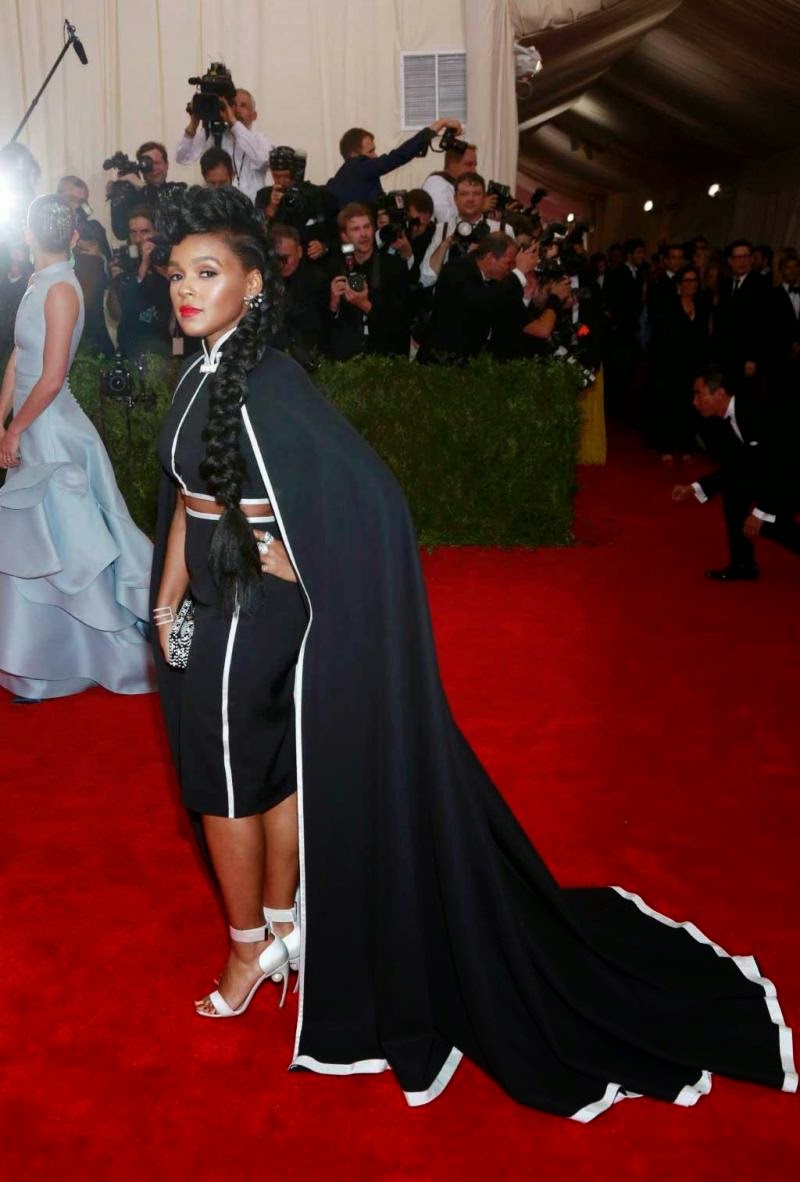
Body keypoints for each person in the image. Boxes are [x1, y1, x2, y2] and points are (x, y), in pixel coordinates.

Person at [151, 185, 795, 1117]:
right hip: (216, 610)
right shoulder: (203, 376)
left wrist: (294, 558)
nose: (184, 288)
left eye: (206, 273)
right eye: (176, 274)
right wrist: (165, 602)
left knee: (222, 786)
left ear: (254, 285)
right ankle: (286, 927)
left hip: (247, 618)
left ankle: (251, 947)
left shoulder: (264, 384)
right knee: (273, 772)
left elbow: (369, 498)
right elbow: (186, 501)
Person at [0, 195, 154, 700]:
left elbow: (51, 378)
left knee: (69, 548)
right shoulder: (37, 283)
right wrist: (2, 419)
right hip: (31, 425)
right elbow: (20, 355)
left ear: (28, 234)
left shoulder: (62, 289)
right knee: (37, 547)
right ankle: (41, 660)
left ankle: (96, 654)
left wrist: (15, 429)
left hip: (52, 430)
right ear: (71, 236)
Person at [671, 365, 800, 579]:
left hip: (792, 474)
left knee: (769, 523)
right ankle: (743, 566)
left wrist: (760, 513)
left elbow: (780, 465)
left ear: (719, 394)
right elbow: (736, 467)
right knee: (735, 491)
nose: (694, 402)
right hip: (778, 471)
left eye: (699, 395)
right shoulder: (722, 421)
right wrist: (694, 488)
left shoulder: (754, 412)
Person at [327, 203, 411, 360]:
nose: (363, 234)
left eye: (366, 227)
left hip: (384, 358)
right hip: (345, 360)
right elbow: (325, 326)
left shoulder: (394, 266)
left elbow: (400, 322)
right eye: (355, 229)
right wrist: (333, 304)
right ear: (344, 236)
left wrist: (365, 305)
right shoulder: (334, 268)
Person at [326, 118, 463, 209]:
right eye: (370, 151)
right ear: (354, 155)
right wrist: (438, 125)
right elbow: (397, 157)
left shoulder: (339, 180)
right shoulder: (358, 166)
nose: (375, 156)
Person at [647, 264, 709, 462]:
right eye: (687, 280)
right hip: (670, 364)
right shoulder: (668, 305)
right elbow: (660, 338)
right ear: (679, 284)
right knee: (669, 404)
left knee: (690, 405)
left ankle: (687, 445)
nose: (691, 284)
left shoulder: (702, 305)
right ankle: (666, 445)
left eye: (694, 280)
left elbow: (705, 336)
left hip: (695, 365)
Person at [176, 88, 272, 201]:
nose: (237, 110)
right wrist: (193, 125)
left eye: (243, 105)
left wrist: (234, 124)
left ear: (254, 115)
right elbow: (182, 158)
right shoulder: (214, 133)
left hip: (251, 207)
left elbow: (263, 159)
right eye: (233, 105)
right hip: (219, 207)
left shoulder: (260, 140)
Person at [419, 172, 509, 289]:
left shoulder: (503, 229)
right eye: (464, 194)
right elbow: (426, 279)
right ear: (455, 198)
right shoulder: (442, 229)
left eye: (476, 194)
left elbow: (512, 277)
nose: (470, 199)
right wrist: (444, 246)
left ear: (484, 197)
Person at [56, 175, 114, 355]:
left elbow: (111, 270)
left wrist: (100, 256)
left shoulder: (94, 229)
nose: (76, 206)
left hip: (92, 316)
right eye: (71, 199)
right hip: (59, 312)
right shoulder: (48, 229)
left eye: (82, 202)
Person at [107, 207, 173, 361]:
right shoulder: (123, 262)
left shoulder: (168, 260)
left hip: (167, 347)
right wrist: (115, 282)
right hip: (131, 348)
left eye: (145, 232)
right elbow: (116, 314)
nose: (138, 239)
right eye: (133, 232)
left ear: (157, 232)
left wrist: (166, 271)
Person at [255, 147, 337, 263]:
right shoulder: (264, 196)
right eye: (276, 176)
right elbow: (258, 234)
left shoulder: (317, 195)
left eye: (286, 176)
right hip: (279, 262)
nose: (281, 181)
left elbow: (336, 234)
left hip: (312, 263)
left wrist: (324, 247)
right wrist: (272, 207)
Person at [270, 224, 328, 366]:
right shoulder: (265, 281)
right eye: (277, 258)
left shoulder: (316, 279)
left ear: (300, 252)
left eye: (286, 257)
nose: (282, 264)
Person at [108, 141, 185, 242]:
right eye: (148, 165)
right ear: (141, 168)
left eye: (157, 163)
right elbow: (121, 233)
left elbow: (171, 225)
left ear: (167, 165)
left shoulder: (178, 190)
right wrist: (117, 197)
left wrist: (143, 187)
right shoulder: (133, 196)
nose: (153, 168)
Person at [421, 138, 478, 225]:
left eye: (475, 165)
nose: (474, 171)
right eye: (469, 164)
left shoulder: (457, 186)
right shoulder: (435, 184)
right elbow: (445, 221)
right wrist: (477, 210)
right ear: (452, 164)